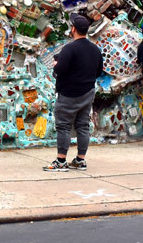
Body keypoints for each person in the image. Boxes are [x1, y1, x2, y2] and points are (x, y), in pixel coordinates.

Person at [44, 14, 103, 172]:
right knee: (83, 126)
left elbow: (60, 70)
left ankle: (61, 161)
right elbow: (99, 71)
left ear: (74, 29)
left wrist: (56, 64)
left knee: (63, 126)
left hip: (69, 93)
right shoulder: (95, 49)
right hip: (88, 92)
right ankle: (80, 160)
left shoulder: (69, 49)